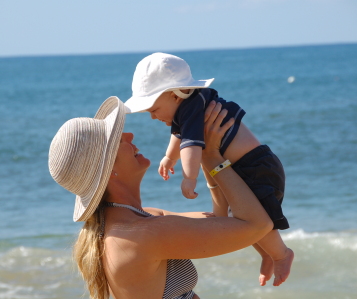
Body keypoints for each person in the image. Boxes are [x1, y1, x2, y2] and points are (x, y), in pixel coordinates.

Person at [48, 96, 273, 299]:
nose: (129, 135)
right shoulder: (143, 233)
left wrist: (204, 154)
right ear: (109, 171)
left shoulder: (140, 221)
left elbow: (221, 220)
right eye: (118, 140)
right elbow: (256, 225)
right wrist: (212, 156)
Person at [124, 52, 294, 286]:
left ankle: (281, 254)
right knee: (242, 218)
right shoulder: (191, 104)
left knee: (250, 219)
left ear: (174, 95)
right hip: (248, 165)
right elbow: (180, 134)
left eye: (153, 109)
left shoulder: (190, 108)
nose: (152, 117)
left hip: (255, 167)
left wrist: (189, 178)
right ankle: (267, 253)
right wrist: (168, 157)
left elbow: (191, 144)